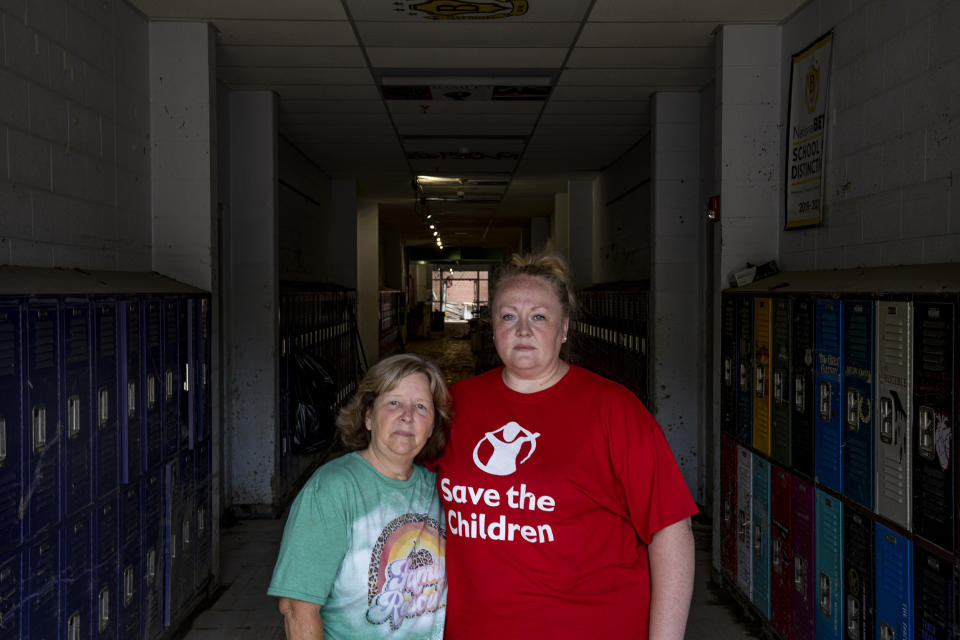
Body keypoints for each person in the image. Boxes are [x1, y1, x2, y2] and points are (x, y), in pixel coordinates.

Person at [434, 253, 697, 639]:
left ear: (564, 329)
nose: (523, 329)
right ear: (493, 329)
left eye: (539, 316)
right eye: (508, 316)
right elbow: (400, 488)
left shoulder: (613, 409)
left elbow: (671, 528)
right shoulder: (455, 403)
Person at [268, 353, 451, 640]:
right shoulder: (333, 488)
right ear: (368, 416)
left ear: (432, 427)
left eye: (420, 406)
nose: (407, 416)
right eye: (394, 403)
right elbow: (296, 607)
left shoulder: (441, 489)